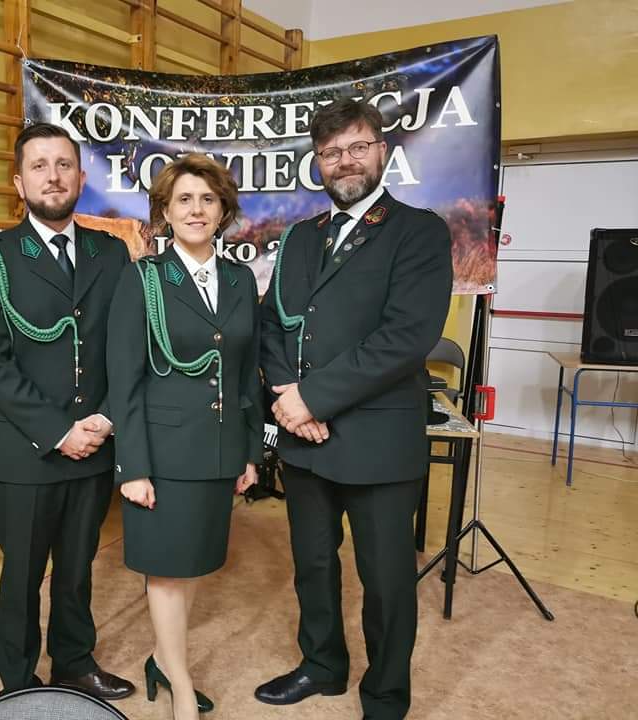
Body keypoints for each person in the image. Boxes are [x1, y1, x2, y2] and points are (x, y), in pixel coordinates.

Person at [255, 98, 453, 719]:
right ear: (318, 162)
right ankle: (323, 666)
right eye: (331, 152)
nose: (345, 161)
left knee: (386, 581)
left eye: (358, 147)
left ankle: (386, 696)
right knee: (313, 565)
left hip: (377, 442)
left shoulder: (419, 231)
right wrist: (288, 397)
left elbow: (406, 338)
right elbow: (272, 325)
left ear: (382, 152)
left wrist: (312, 397)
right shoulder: (300, 237)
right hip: (302, 436)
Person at [0, 122, 134, 700]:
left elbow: (126, 348)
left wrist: (104, 419)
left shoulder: (111, 254)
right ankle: (17, 684)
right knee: (22, 576)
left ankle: (74, 662)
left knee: (79, 567)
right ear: (19, 182)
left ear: (81, 178)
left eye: (63, 165)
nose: (53, 176)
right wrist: (60, 431)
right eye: (39, 166)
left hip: (96, 441)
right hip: (28, 451)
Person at [107, 153, 263, 720]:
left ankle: (160, 659)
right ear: (165, 212)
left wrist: (251, 452)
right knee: (168, 571)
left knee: (194, 563)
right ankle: (180, 684)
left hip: (220, 449)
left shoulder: (241, 280)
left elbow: (246, 374)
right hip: (163, 453)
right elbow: (124, 379)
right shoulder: (143, 278)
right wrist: (132, 466)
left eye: (208, 199)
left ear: (223, 211)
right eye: (184, 200)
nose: (197, 210)